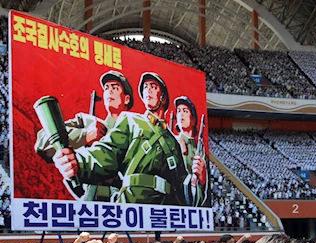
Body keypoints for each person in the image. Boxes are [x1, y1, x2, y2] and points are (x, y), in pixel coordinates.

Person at [51, 72, 207, 205]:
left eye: (153, 87)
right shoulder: (130, 120)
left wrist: (199, 180)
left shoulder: (172, 141)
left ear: (163, 98)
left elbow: (181, 186)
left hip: (163, 206)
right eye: (145, 87)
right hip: (131, 202)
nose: (148, 91)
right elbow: (107, 153)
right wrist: (78, 163)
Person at [36, 71, 134, 201]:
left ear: (126, 99)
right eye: (106, 88)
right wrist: (84, 136)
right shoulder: (88, 123)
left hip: (125, 200)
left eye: (115, 88)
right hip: (90, 199)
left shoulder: (137, 132)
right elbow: (43, 141)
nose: (109, 91)